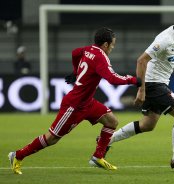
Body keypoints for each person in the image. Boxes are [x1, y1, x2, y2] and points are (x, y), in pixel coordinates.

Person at [8, 27, 141, 175]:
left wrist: (75, 71)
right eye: (112, 44)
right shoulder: (101, 57)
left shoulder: (88, 49)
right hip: (74, 105)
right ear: (105, 44)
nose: (113, 47)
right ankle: (17, 155)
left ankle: (98, 157)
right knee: (52, 138)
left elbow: (75, 53)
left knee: (111, 121)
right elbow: (112, 78)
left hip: (87, 102)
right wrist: (134, 80)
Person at [107, 9, 174, 172]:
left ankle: (106, 140)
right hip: (153, 83)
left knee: (147, 125)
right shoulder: (165, 39)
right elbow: (141, 61)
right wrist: (141, 90)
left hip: (158, 83)